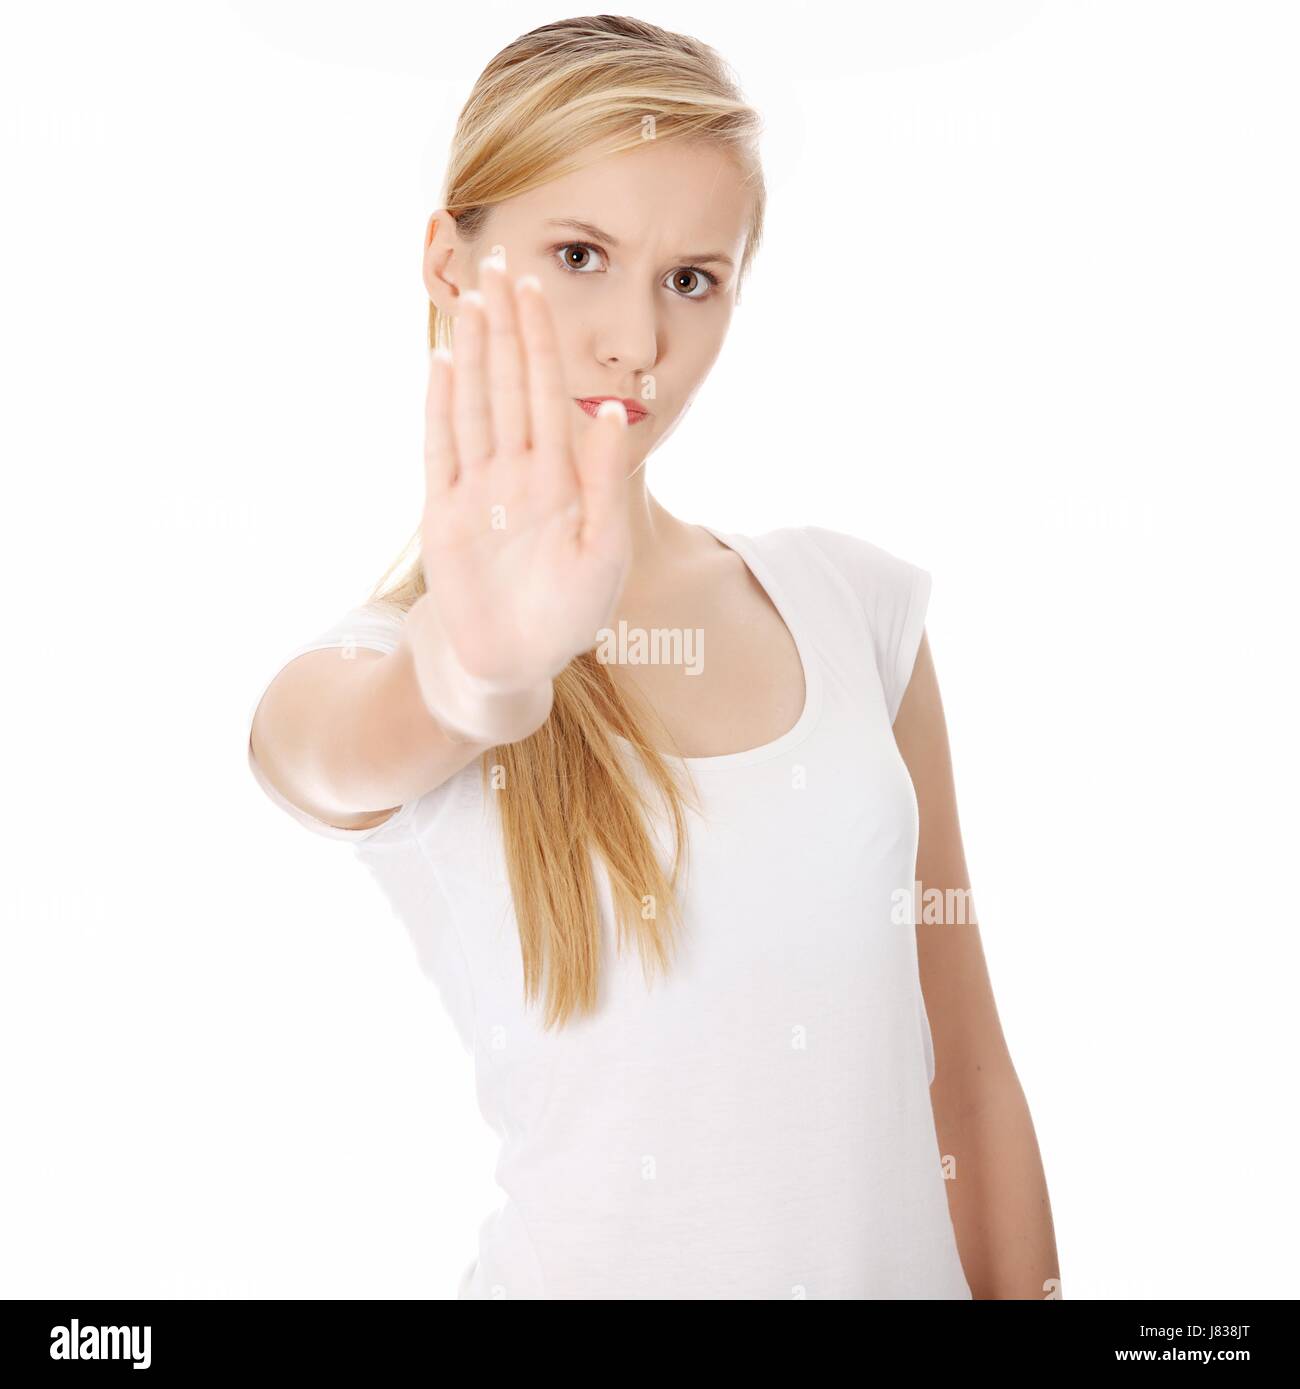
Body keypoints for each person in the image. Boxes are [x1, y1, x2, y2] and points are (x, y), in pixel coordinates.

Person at [246, 15, 1059, 1300]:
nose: (636, 338)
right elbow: (322, 752)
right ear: (449, 267)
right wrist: (483, 674)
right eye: (580, 255)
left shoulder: (851, 607)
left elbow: (962, 1064)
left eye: (693, 278)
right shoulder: (380, 667)